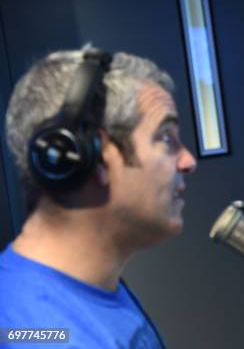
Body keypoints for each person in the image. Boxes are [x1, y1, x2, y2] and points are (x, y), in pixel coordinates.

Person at [0, 47, 196, 348]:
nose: (187, 161)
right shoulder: (44, 335)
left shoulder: (85, 287)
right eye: (166, 138)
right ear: (95, 157)